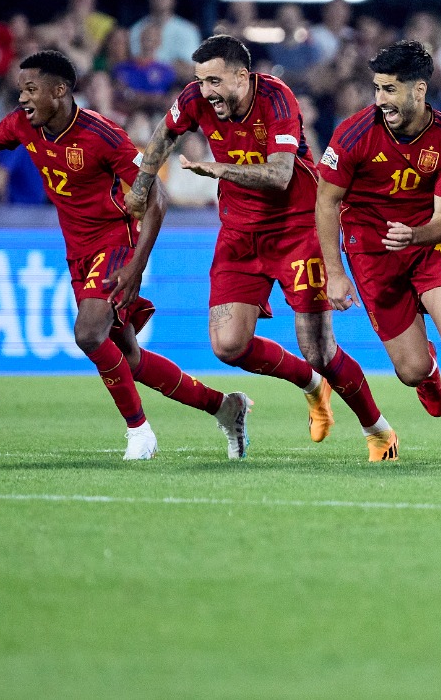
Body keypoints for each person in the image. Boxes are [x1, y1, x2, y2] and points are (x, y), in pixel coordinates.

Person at [0, 50, 251, 460]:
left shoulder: (102, 134)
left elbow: (156, 197)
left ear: (59, 91)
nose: (22, 98)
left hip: (115, 243)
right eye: (20, 90)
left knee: (88, 333)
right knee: (129, 358)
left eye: (31, 89)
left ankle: (140, 433)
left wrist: (135, 265)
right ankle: (223, 406)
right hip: (78, 253)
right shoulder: (24, 124)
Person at [130, 35, 396, 461]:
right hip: (239, 233)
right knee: (228, 346)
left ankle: (378, 430)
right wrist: (141, 186)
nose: (206, 91)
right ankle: (311, 383)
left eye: (215, 81)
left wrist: (219, 169)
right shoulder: (196, 98)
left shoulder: (276, 99)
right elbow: (164, 133)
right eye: (200, 81)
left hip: (297, 228)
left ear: (242, 76)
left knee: (319, 349)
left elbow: (279, 174)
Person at [315, 40, 441, 466]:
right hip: (371, 251)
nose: (380, 100)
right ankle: (428, 372)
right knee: (411, 371)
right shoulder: (353, 133)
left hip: (427, 243)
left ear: (419, 89)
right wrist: (335, 272)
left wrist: (415, 235)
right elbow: (326, 201)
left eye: (390, 90)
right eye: (377, 89)